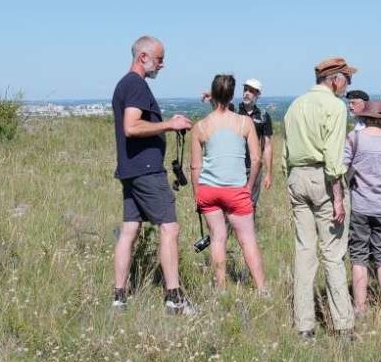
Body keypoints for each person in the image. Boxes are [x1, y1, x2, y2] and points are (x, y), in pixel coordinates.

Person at [110, 35, 194, 313]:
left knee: (129, 230)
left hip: (130, 169)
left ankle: (119, 297)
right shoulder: (136, 85)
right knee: (170, 228)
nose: (162, 64)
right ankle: (175, 298)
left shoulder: (124, 84)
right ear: (142, 57)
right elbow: (131, 127)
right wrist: (170, 125)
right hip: (146, 171)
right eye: (159, 59)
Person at [282, 56, 357, 339]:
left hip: (296, 176)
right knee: (333, 253)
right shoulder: (334, 107)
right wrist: (338, 197)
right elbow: (333, 157)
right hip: (324, 180)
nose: (348, 84)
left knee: (304, 252)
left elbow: (286, 152)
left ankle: (304, 325)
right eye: (347, 78)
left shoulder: (295, 105)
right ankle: (343, 324)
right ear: (334, 79)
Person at [189, 74, 268, 294]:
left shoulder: (201, 126)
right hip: (236, 189)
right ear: (232, 95)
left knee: (217, 238)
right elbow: (256, 159)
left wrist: (197, 193)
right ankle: (261, 289)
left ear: (212, 95)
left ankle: (221, 287)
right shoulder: (245, 122)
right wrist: (249, 186)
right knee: (247, 240)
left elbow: (195, 166)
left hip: (208, 189)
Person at [343, 100, 381, 315]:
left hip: (360, 205)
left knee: (359, 256)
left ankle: (360, 306)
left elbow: (342, 169)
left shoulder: (354, 138)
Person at [237, 78, 274, 211]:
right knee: (231, 204)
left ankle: (247, 231)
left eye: (251, 91)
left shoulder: (263, 116)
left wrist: (269, 173)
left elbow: (267, 145)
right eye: (245, 90)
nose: (247, 93)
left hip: (254, 167)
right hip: (235, 166)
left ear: (257, 94)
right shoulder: (234, 112)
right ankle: (227, 232)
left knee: (250, 205)